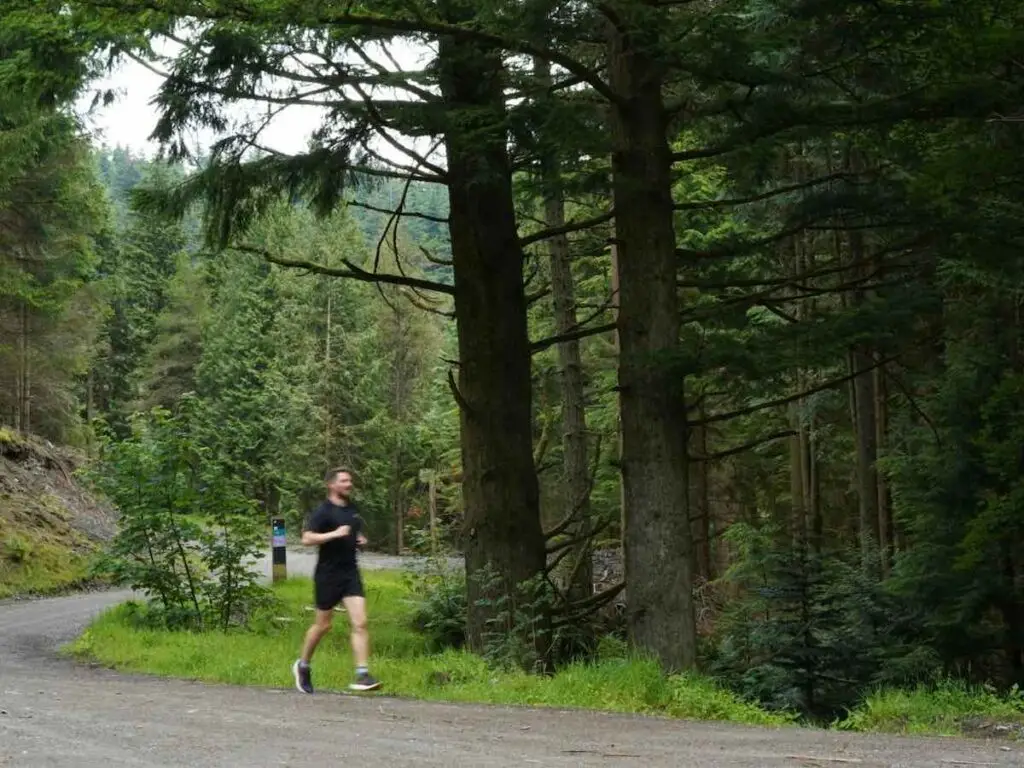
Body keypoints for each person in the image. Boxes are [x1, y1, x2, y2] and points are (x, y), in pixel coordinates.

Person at [292, 467, 381, 693]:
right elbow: (306, 538)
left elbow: (352, 533)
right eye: (344, 481)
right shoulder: (323, 511)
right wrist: (333, 534)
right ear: (331, 485)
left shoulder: (352, 509)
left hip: (350, 573)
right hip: (327, 575)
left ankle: (362, 674)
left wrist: (359, 539)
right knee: (323, 625)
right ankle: (303, 665)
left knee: (360, 622)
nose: (349, 484)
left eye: (350, 480)